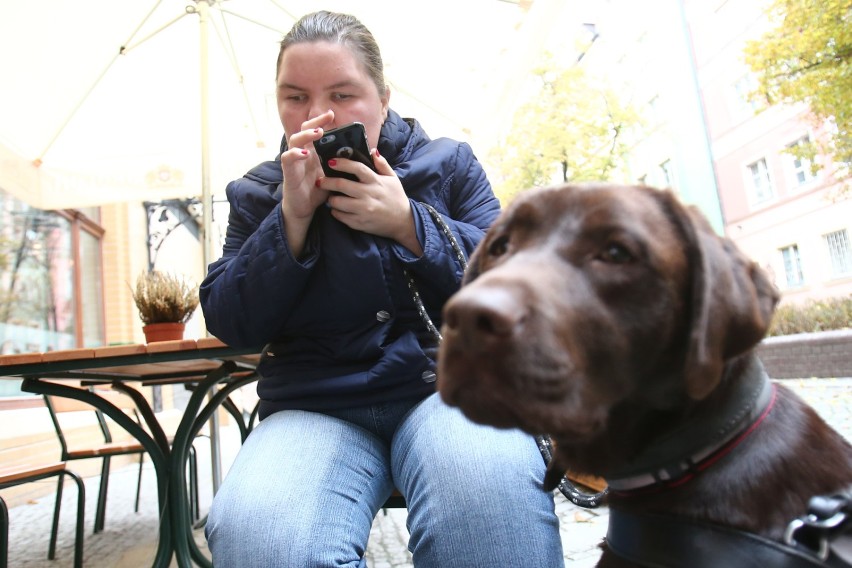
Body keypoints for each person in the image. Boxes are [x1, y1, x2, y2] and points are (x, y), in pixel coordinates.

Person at [200, 10, 564, 567]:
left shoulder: (448, 163)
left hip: (450, 387)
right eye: (294, 97)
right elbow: (229, 320)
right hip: (313, 406)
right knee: (260, 535)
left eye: (343, 94)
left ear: (383, 98)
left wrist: (410, 225)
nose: (318, 116)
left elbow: (521, 286)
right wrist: (289, 221)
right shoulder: (257, 193)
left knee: (489, 496)